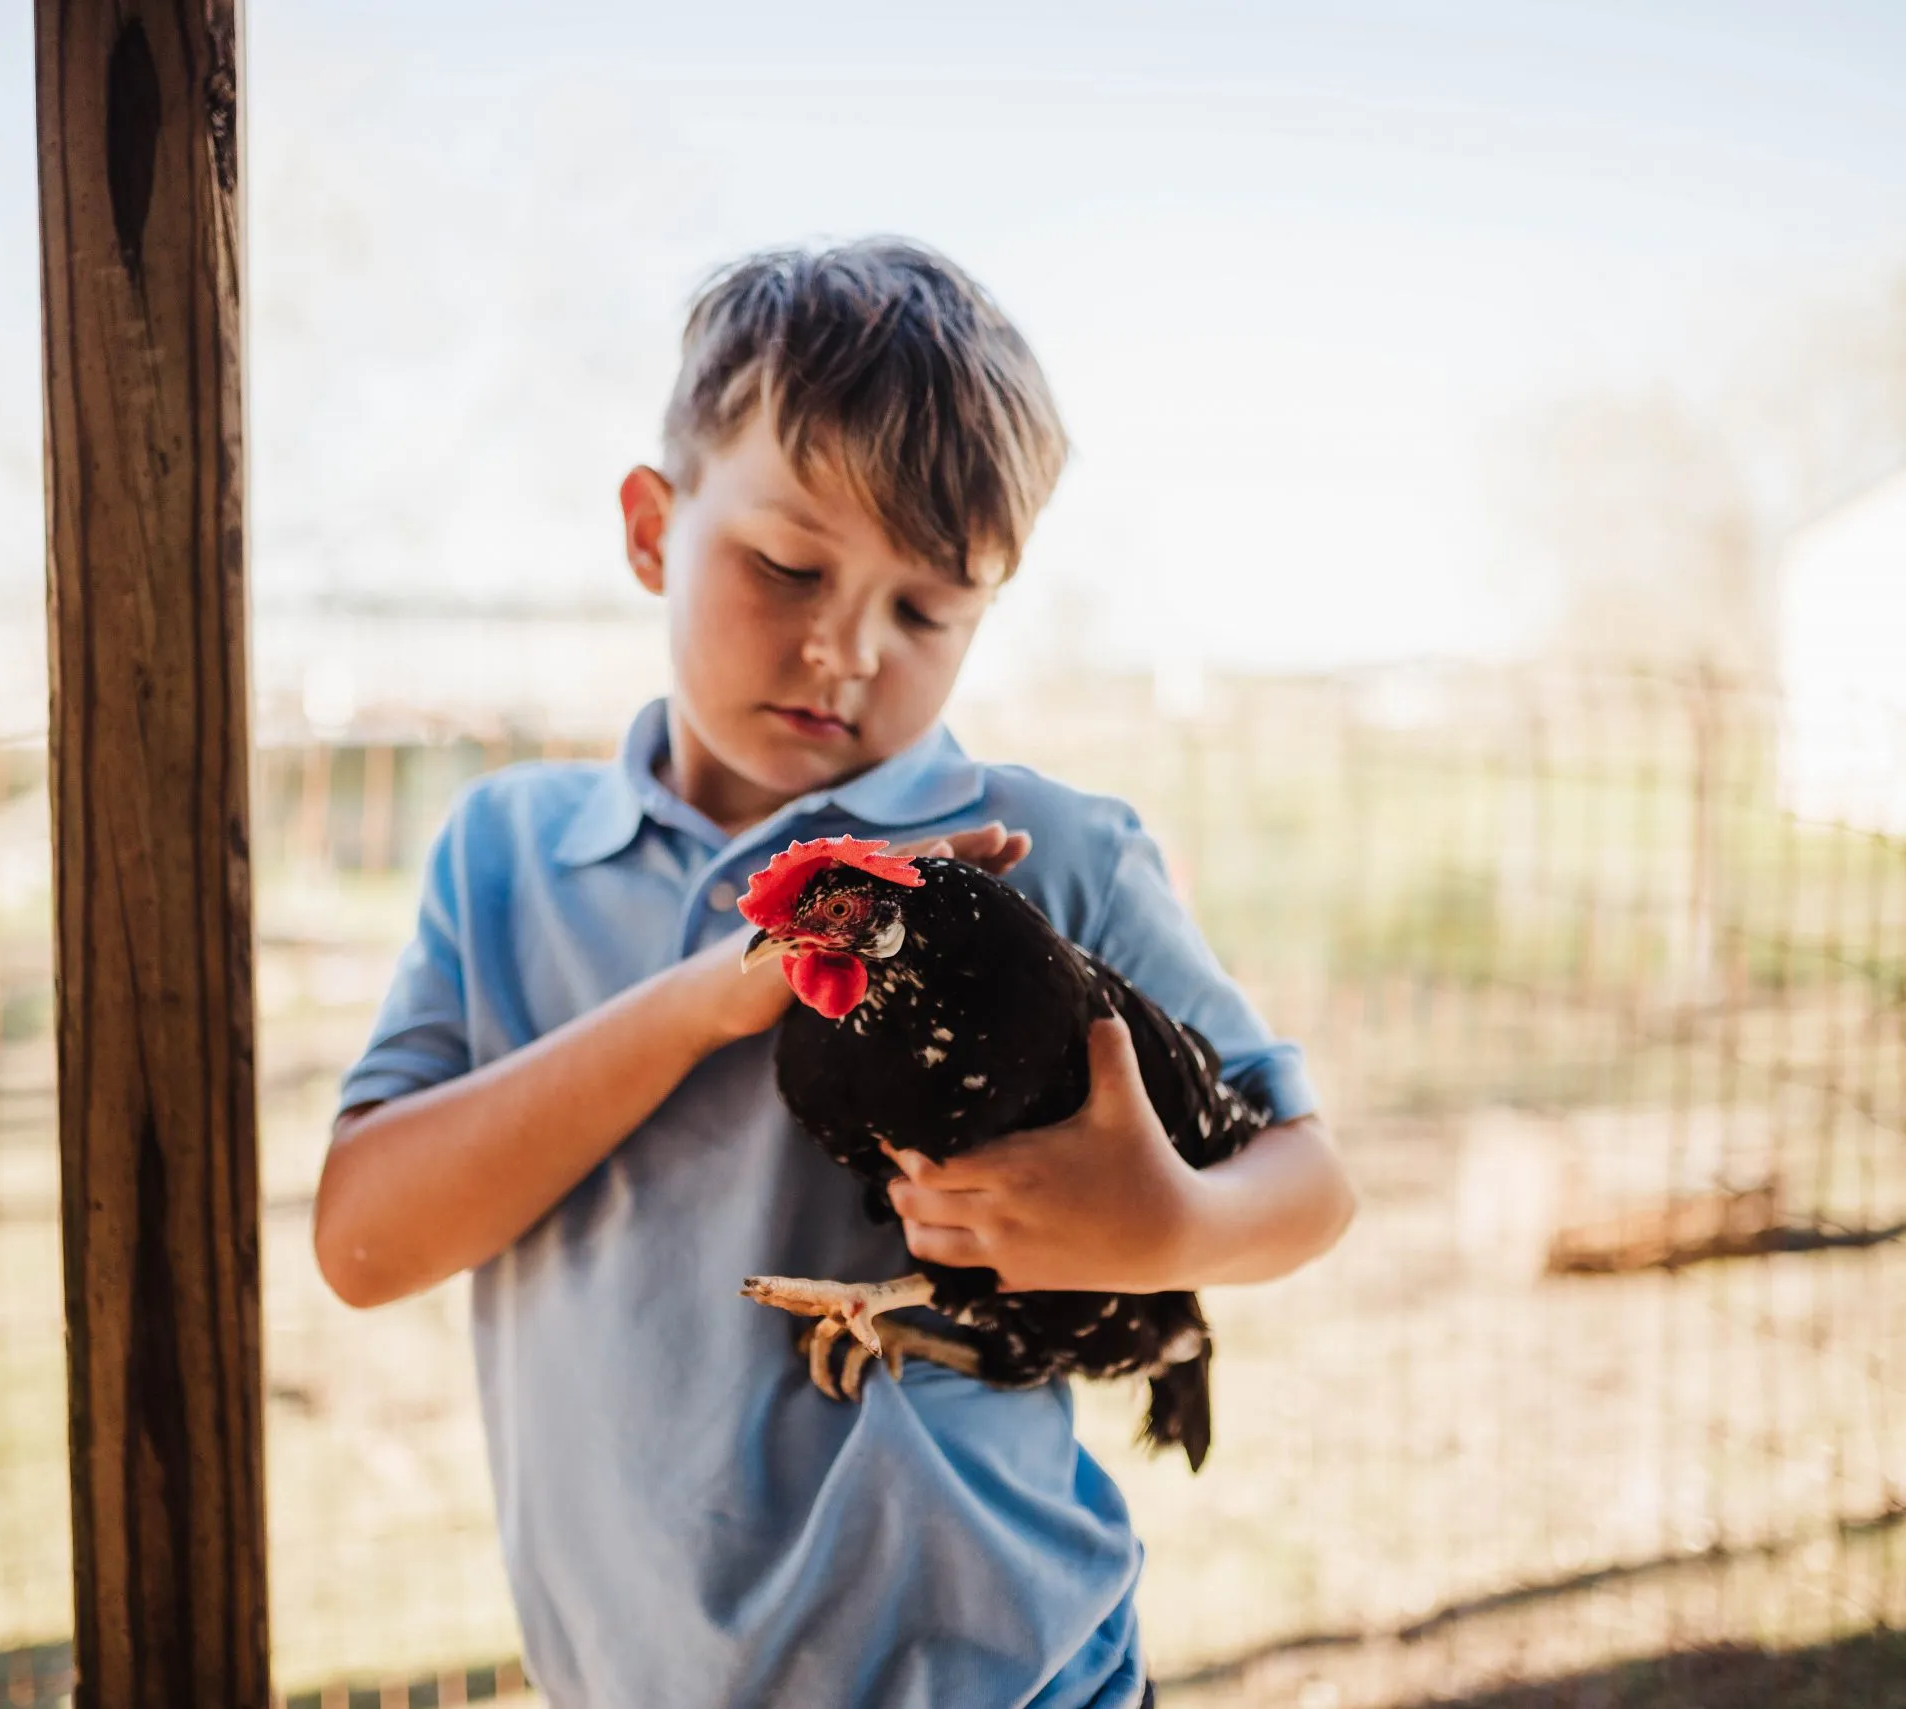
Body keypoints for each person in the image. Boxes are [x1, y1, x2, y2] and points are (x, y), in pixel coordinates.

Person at [313, 238, 1356, 1709]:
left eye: (928, 609)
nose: (845, 649)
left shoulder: (1042, 854)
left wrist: (1168, 1222)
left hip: (994, 1673)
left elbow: (1312, 1185)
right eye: (788, 566)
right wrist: (694, 1009)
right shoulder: (505, 858)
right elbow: (364, 1245)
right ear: (648, 530)